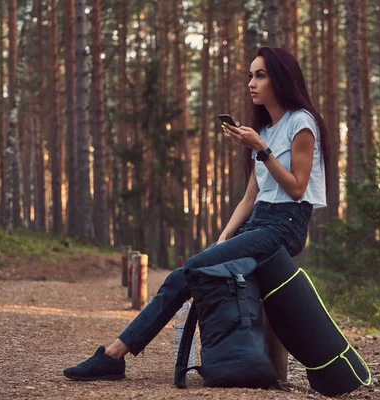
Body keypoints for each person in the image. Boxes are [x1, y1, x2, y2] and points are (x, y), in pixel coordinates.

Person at [63, 46, 330, 381]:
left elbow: (296, 188)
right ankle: (115, 355)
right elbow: (250, 197)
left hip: (285, 226)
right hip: (258, 223)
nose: (251, 83)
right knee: (189, 272)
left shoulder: (301, 123)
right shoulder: (263, 130)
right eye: (250, 75)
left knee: (187, 272)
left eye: (260, 75)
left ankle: (115, 355)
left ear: (282, 79)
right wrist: (224, 238)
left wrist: (262, 151)